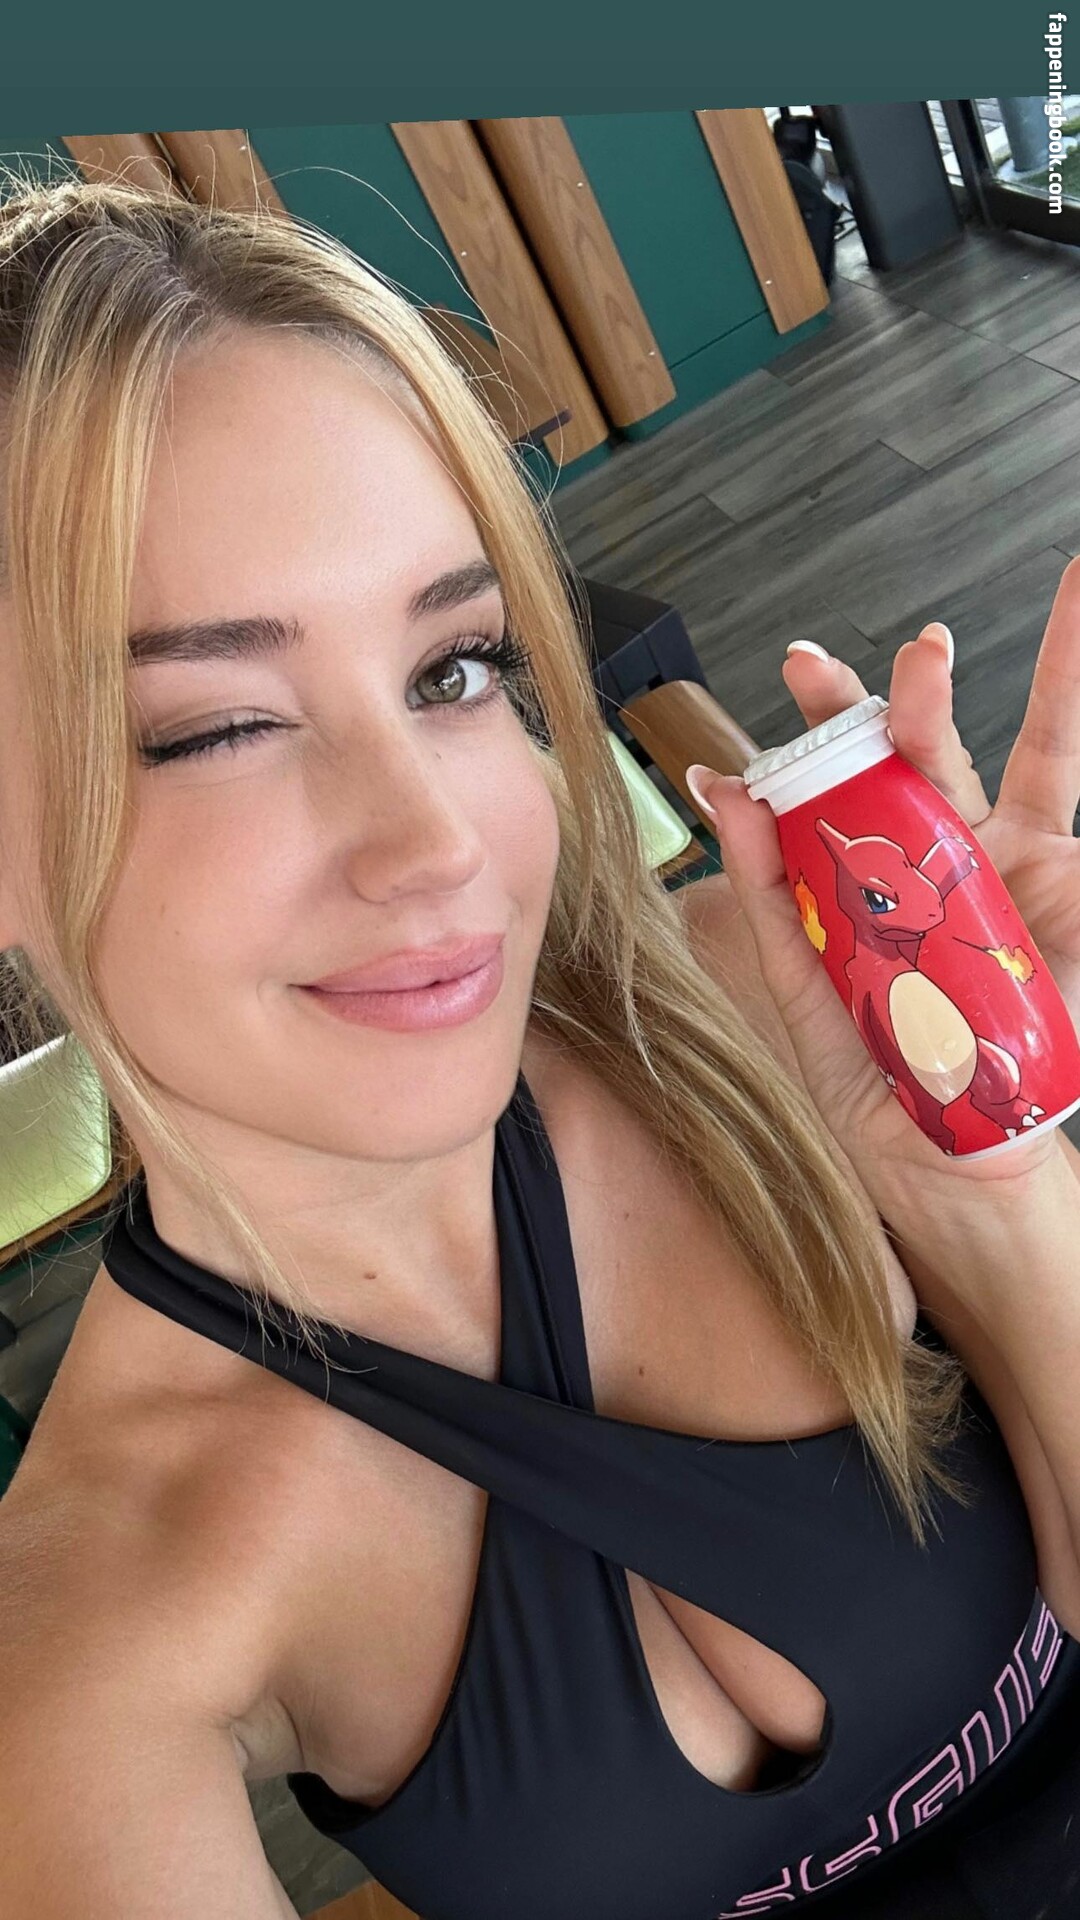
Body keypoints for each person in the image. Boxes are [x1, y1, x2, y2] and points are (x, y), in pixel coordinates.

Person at [0, 175, 1079, 1920]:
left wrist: (994, 1186)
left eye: (453, 668)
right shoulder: (88, 1635)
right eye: (214, 728)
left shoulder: (776, 1009)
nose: (435, 845)